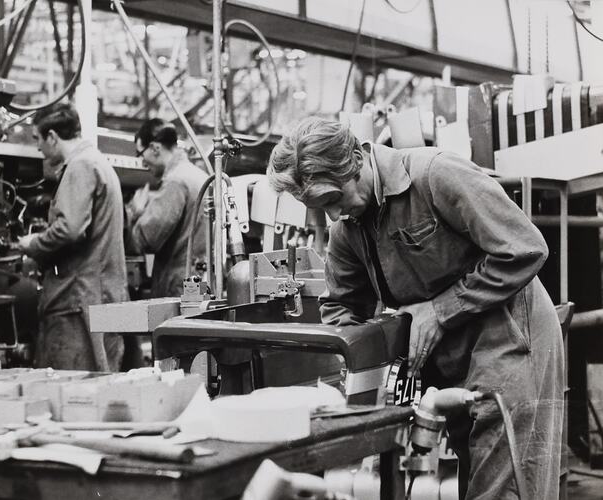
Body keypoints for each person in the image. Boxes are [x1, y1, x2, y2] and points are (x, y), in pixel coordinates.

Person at [267, 116, 564, 500]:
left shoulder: (436, 173)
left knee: (507, 481)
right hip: (449, 358)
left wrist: (439, 310)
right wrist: (352, 380)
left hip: (509, 336)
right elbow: (341, 308)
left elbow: (524, 248)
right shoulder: (348, 230)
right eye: (319, 208)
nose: (333, 216)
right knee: (474, 477)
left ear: (356, 161)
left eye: (334, 200)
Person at [17, 102, 128, 371]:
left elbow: (70, 229)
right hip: (100, 294)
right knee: (100, 382)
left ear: (52, 137)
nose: (39, 148)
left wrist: (34, 245)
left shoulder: (80, 166)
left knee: (74, 392)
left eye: (39, 139)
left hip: (78, 299)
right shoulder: (98, 162)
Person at [126, 118, 207, 298]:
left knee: (176, 324)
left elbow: (145, 239)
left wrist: (134, 213)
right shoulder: (199, 176)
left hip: (178, 285)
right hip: (199, 280)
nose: (142, 163)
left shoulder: (176, 182)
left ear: (155, 148)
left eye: (140, 154)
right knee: (196, 321)